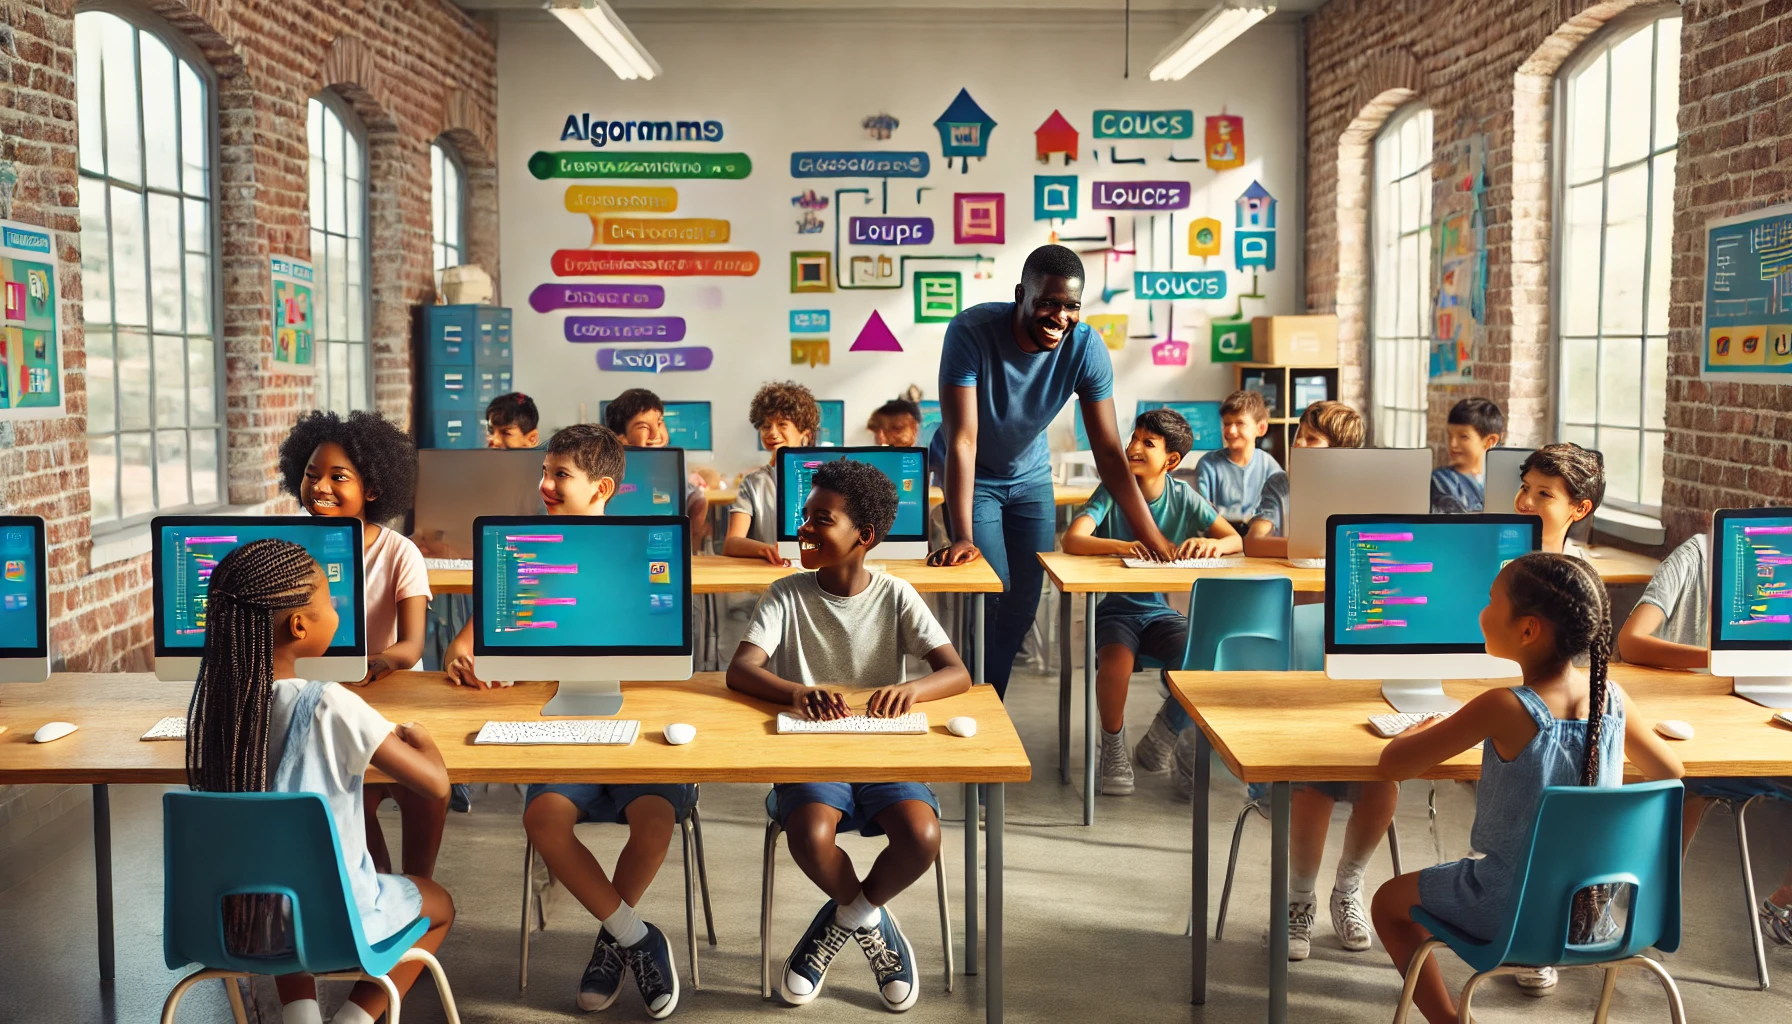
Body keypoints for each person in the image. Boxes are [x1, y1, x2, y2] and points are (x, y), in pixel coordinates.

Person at [1370, 553, 1684, 1020]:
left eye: (1492, 601)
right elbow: (1670, 771)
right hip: (1595, 920)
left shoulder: (1504, 707)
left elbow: (1393, 764)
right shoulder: (1614, 700)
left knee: (1386, 902)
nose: (1482, 611)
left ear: (1528, 630)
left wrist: (1417, 729)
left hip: (1507, 912)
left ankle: (1452, 1020)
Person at [446, 423, 687, 1017]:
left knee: (654, 820)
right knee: (543, 817)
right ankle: (635, 937)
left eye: (560, 475)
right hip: (558, 723)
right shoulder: (523, 546)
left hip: (636, 723)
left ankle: (611, 940)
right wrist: (460, 650)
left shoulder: (644, 545)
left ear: (601, 487)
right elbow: (476, 633)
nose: (544, 484)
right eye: (544, 471)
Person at [727, 459, 969, 1012]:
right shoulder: (785, 594)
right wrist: (793, 692)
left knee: (922, 836)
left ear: (866, 537)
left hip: (884, 747)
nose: (804, 528)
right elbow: (741, 670)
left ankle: (844, 918)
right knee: (811, 832)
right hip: (813, 749)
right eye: (805, 516)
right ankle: (867, 917)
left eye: (821, 519)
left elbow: (956, 672)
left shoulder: (896, 594)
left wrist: (915, 691)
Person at [184, 538, 454, 1024]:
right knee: (440, 904)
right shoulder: (331, 703)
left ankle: (301, 1015)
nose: (336, 610)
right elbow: (434, 785)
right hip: (338, 924)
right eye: (329, 600)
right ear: (299, 625)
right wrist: (424, 738)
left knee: (281, 875)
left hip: (243, 923)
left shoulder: (218, 713)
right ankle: (356, 1018)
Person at [929, 244, 1175, 696]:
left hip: (1030, 476)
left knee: (1023, 605)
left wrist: (1152, 535)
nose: (1059, 316)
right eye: (1047, 302)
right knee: (992, 591)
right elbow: (963, 438)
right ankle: (979, 704)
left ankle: (986, 697)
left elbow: (1108, 450)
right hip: (973, 474)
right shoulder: (971, 331)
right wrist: (962, 534)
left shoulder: (1085, 348)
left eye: (1071, 306)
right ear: (1021, 294)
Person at [279, 410, 440, 879]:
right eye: (310, 475)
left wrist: (379, 661)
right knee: (351, 795)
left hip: (389, 691)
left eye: (337, 476)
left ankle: (416, 884)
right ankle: (371, 886)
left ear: (372, 488)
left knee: (419, 791)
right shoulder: (287, 550)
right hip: (319, 693)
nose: (320, 486)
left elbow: (411, 646)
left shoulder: (398, 552)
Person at [1618, 530, 1792, 943]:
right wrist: (1721, 657)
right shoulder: (1700, 554)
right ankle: (1645, 905)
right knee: (1685, 782)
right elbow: (1631, 642)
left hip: (1768, 724)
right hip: (1702, 731)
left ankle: (1785, 902)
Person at [1060, 408, 1239, 796]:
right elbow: (1073, 539)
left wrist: (1214, 542)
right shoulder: (1112, 490)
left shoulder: (1183, 497)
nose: (1133, 447)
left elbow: (1235, 540)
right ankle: (1112, 748)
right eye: (1134, 438)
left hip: (1159, 613)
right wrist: (1122, 545)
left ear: (1171, 460)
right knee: (1115, 665)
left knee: (1199, 661)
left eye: (1147, 443)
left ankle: (1164, 732)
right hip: (1116, 612)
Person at [1240, 400, 1365, 560]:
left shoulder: (1356, 491)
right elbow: (1253, 543)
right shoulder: (1280, 484)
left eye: (1311, 438)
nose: (1298, 442)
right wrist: (1318, 550)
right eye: (1299, 434)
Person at [604, 387, 711, 549]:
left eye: (660, 423)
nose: (656, 434)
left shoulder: (691, 497)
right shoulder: (605, 482)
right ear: (620, 438)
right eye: (643, 427)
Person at [725, 381, 818, 566]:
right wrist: (764, 549)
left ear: (805, 434)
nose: (773, 433)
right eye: (766, 426)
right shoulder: (753, 482)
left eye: (782, 424)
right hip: (772, 572)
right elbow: (731, 543)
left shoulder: (826, 477)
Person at [1193, 389, 1282, 525]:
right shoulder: (1208, 465)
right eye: (1227, 424)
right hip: (1218, 541)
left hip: (1258, 541)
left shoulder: (1270, 468)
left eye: (1240, 423)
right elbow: (1201, 511)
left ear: (1261, 428)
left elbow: (1274, 516)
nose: (1231, 430)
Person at [1515, 443, 1604, 557]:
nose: (1527, 502)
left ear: (1581, 509)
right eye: (1525, 488)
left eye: (1544, 494)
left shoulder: (1579, 568)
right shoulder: (1494, 553)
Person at [1430, 397, 1503, 513]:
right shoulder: (1441, 480)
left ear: (1490, 441)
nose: (1452, 444)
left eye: (1463, 437)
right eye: (1450, 436)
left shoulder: (1502, 480)